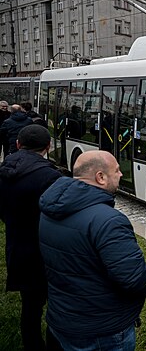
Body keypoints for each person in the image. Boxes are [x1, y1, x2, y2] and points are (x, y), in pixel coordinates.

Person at [38, 150, 146, 350]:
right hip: (102, 329)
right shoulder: (109, 220)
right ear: (100, 177)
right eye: (117, 170)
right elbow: (134, 279)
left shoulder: (49, 210)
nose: (121, 175)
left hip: (62, 317)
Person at [0, 125, 62, 351]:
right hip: (46, 250)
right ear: (47, 147)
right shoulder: (50, 176)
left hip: (18, 246)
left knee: (30, 307)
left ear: (18, 144)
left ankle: (32, 345)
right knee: (56, 305)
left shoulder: (4, 170)